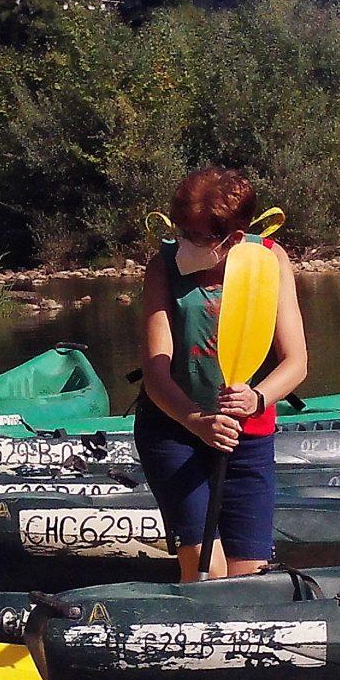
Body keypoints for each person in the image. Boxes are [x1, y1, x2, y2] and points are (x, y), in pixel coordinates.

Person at [134, 167, 308, 581]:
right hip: (174, 427)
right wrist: (196, 420)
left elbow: (296, 362)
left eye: (196, 238)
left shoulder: (269, 259)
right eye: (181, 232)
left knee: (249, 577)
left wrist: (258, 397)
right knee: (206, 571)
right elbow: (156, 372)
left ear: (232, 239)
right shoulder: (163, 266)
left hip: (248, 431)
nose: (183, 244)